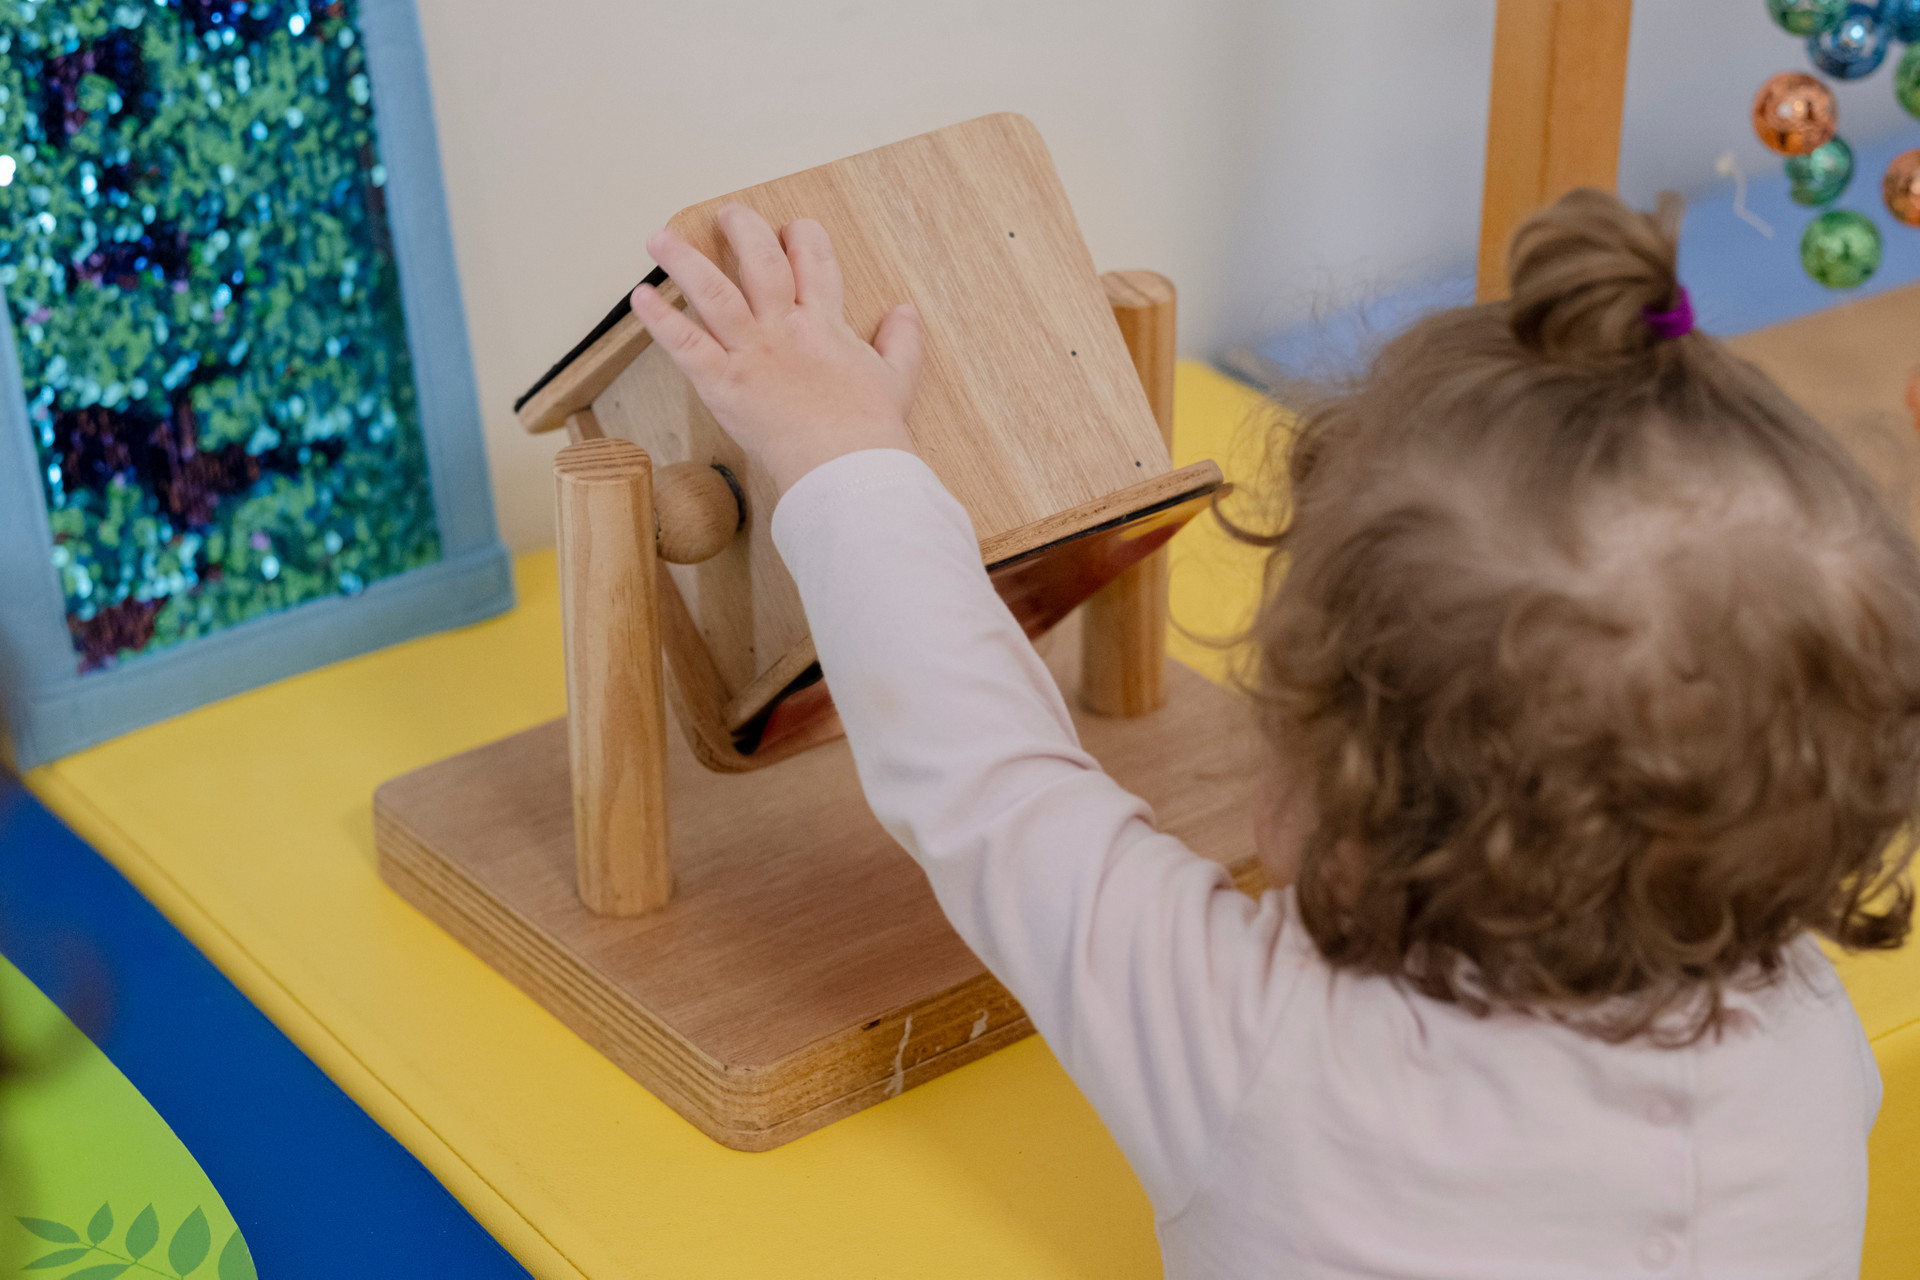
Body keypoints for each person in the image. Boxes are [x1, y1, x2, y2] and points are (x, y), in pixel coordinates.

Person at [631, 188, 1920, 1279]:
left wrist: (838, 447)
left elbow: (988, 783)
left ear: (1346, 802)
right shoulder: (1805, 1042)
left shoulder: (1257, 1044)